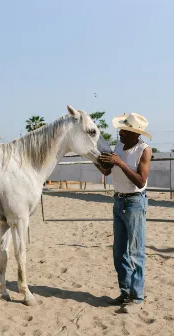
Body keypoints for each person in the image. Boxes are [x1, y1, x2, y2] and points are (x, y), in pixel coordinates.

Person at [96, 112, 152, 314]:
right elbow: (109, 171)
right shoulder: (120, 146)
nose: (120, 133)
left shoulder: (144, 150)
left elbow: (140, 181)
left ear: (135, 133)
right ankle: (125, 291)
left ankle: (136, 297)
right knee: (119, 251)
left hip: (135, 202)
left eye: (124, 130)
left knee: (136, 252)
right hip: (118, 201)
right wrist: (101, 162)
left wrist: (119, 162)